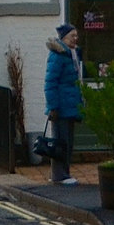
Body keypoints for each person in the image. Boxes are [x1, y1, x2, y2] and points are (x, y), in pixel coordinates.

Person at [44, 24, 84, 186]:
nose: (76, 38)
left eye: (76, 35)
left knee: (66, 142)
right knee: (60, 142)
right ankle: (59, 175)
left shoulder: (71, 54)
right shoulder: (58, 56)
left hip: (69, 105)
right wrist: (53, 106)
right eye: (72, 36)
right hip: (60, 107)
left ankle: (64, 173)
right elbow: (50, 83)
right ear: (64, 38)